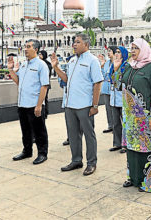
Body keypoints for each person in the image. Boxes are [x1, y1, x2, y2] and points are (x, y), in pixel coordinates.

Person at [51, 33, 104, 176]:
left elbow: (97, 83)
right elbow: (67, 79)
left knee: (89, 135)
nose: (74, 44)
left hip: (85, 105)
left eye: (77, 42)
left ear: (86, 44)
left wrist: (95, 105)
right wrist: (56, 67)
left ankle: (91, 163)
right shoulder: (72, 61)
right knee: (73, 134)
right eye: (74, 42)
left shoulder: (93, 61)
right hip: (70, 104)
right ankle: (76, 160)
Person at [119, 38, 151, 192]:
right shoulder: (129, 67)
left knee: (147, 148)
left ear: (143, 49)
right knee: (132, 148)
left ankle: (148, 183)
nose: (132, 51)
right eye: (131, 48)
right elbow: (117, 84)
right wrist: (117, 68)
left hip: (145, 117)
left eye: (136, 48)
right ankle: (134, 178)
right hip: (130, 117)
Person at [7, 39, 49, 165]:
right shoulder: (24, 64)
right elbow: (18, 81)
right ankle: (27, 151)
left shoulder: (41, 65)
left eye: (28, 47)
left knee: (39, 130)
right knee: (25, 130)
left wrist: (39, 105)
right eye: (25, 46)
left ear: (35, 49)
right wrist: (11, 70)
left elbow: (44, 86)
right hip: (22, 104)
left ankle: (42, 153)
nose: (25, 49)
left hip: (34, 104)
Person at [108, 46, 129, 153]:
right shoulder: (113, 66)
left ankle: (125, 144)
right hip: (114, 99)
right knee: (116, 123)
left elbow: (120, 83)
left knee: (125, 123)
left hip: (123, 99)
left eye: (119, 52)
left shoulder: (127, 66)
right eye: (116, 52)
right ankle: (117, 143)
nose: (116, 54)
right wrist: (114, 69)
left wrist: (117, 70)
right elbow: (110, 80)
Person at [99, 54, 114, 133]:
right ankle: (110, 125)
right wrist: (101, 66)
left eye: (110, 51)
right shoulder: (106, 63)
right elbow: (102, 75)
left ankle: (117, 126)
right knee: (108, 108)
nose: (108, 53)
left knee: (114, 108)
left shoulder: (117, 62)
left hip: (113, 88)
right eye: (107, 51)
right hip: (105, 88)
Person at [39, 50, 52, 119]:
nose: (39, 56)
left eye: (41, 54)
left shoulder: (47, 64)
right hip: (40, 84)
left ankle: (45, 112)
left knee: (44, 98)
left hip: (45, 84)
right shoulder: (39, 63)